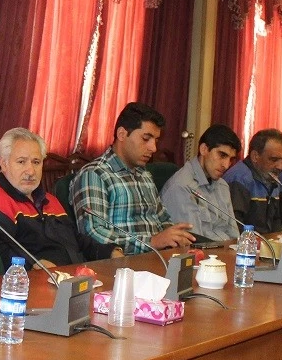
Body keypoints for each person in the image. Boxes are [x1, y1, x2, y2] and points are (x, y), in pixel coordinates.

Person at [0, 128, 116, 267]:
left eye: (36, 162)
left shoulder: (50, 200)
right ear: (4, 163)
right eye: (21, 162)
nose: (31, 171)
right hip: (38, 278)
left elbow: (75, 239)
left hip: (76, 274)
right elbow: (1, 255)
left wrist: (109, 252)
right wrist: (34, 265)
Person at [71, 102, 195, 254]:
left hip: (159, 257)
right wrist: (152, 242)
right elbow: (93, 233)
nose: (153, 148)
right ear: (122, 134)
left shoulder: (144, 174)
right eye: (146, 138)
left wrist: (175, 237)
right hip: (124, 262)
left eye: (156, 141)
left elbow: (162, 219)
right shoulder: (95, 174)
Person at [159, 124, 242, 243]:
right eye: (222, 155)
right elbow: (194, 242)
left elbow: (234, 236)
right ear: (204, 149)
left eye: (231, 159)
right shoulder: (181, 186)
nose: (226, 165)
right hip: (202, 253)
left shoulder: (222, 186)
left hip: (225, 251)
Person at [223, 128, 282, 233]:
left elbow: (276, 221)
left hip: (264, 241)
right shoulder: (239, 179)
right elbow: (235, 228)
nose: (281, 167)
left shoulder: (271, 178)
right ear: (255, 156)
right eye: (274, 159)